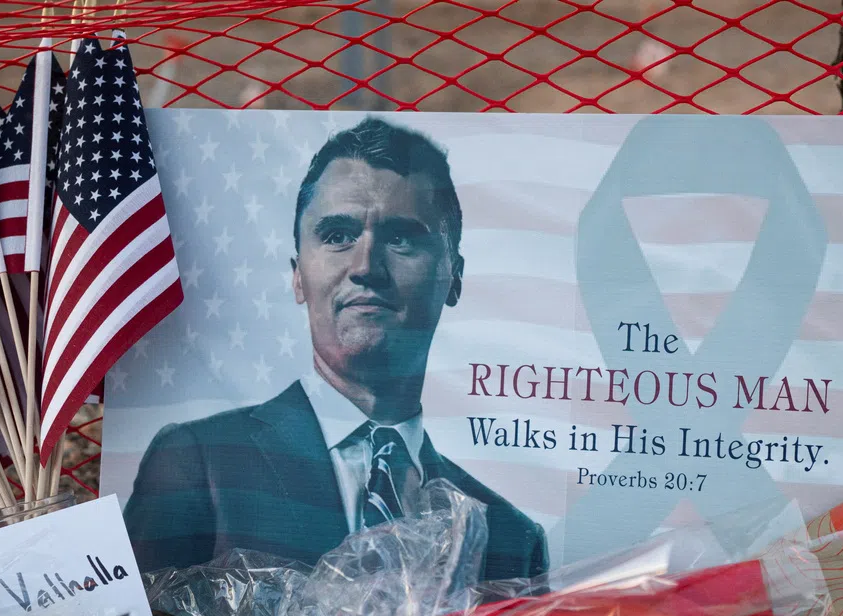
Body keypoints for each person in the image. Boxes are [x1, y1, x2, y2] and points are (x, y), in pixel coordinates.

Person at [123, 116, 548, 581]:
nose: (366, 266)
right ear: (297, 274)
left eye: (402, 239)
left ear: (455, 277)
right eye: (337, 236)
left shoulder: (508, 537)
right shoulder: (196, 462)